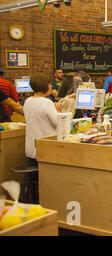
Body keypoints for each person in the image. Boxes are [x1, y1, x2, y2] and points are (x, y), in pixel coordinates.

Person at [23, 75, 62, 203]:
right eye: (49, 84)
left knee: (30, 178)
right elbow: (58, 123)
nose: (51, 86)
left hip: (31, 148)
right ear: (44, 86)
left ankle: (26, 201)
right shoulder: (46, 103)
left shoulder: (28, 101)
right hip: (45, 148)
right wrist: (58, 111)